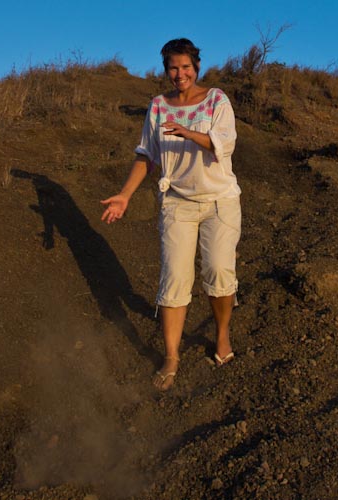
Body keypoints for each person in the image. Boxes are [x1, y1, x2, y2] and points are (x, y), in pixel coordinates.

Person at [101, 38, 241, 391]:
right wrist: (124, 195)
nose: (179, 74)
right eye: (173, 68)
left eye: (185, 67)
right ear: (166, 70)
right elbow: (146, 155)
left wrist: (188, 133)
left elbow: (223, 143)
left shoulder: (216, 100)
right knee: (174, 279)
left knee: (219, 271)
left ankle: (222, 334)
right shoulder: (158, 107)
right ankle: (171, 355)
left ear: (196, 66)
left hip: (219, 201)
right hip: (177, 202)